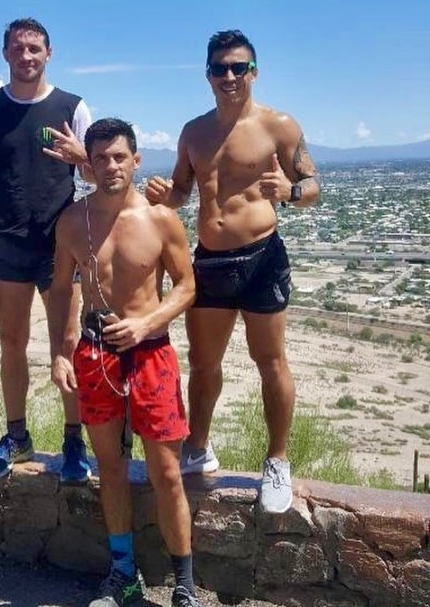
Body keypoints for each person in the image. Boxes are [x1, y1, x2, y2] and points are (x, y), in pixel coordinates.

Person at [145, 29, 320, 514]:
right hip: (212, 259)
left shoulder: (278, 126)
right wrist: (166, 195)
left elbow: (313, 186)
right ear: (207, 74)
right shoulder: (193, 132)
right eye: (220, 68)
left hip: (263, 257)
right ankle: (197, 447)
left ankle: (278, 459)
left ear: (254, 72)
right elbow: (183, 191)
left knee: (271, 362)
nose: (229, 76)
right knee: (203, 365)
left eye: (239, 67)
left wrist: (289, 192)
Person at [48, 118, 200, 607]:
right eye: (100, 158)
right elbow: (61, 290)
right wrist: (58, 350)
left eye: (119, 157)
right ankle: (123, 576)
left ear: (136, 161)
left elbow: (187, 286)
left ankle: (185, 585)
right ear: (87, 165)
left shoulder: (160, 220)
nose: (110, 166)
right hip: (95, 356)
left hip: (150, 351)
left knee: (167, 472)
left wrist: (145, 322)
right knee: (110, 468)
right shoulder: (72, 222)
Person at [0, 17, 93, 483]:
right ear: (5, 54)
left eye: (35, 48)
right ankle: (17, 436)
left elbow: (101, 177)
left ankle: (74, 443)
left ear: (49, 53)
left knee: (69, 344)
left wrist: (84, 159)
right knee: (12, 343)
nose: (27, 56)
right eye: (18, 48)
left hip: (61, 246)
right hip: (8, 243)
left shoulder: (73, 107)